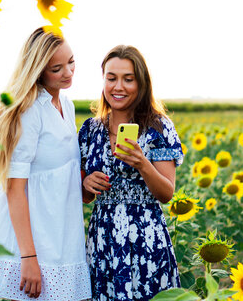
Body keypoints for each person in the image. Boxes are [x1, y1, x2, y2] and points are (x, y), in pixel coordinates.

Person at [0, 27, 91, 301]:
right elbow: (14, 190)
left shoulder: (67, 106)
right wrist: (28, 257)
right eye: (56, 68)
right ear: (37, 71)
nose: (68, 73)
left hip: (60, 234)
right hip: (28, 241)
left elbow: (61, 171)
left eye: (71, 62)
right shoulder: (30, 111)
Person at [78, 45, 183, 301]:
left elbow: (167, 193)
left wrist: (142, 163)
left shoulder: (158, 127)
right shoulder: (91, 130)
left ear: (141, 83)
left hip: (146, 239)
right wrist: (87, 183)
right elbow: (84, 197)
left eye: (128, 79)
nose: (118, 87)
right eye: (111, 78)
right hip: (103, 240)